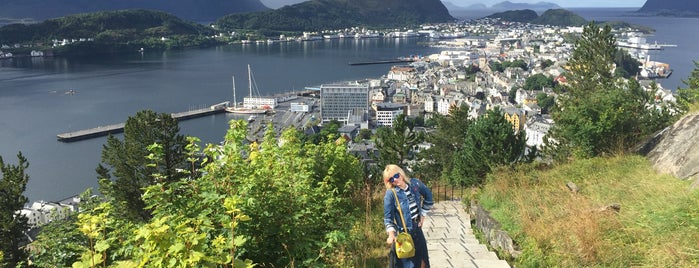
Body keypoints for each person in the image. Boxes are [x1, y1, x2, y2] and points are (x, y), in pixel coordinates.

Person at [383, 164, 434, 268]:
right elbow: (388, 218)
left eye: (396, 176)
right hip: (404, 235)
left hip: (418, 231)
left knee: (423, 263)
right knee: (409, 266)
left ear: (401, 173)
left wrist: (422, 216)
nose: (395, 180)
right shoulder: (391, 194)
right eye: (392, 179)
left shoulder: (415, 184)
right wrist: (391, 234)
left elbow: (429, 197)